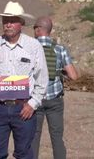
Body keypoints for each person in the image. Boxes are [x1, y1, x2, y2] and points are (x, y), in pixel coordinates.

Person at [0, 1, 48, 159]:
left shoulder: (33, 46)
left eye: (13, 20)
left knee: (24, 154)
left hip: (23, 108)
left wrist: (33, 104)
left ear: (21, 23)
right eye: (5, 20)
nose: (8, 24)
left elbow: (42, 78)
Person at [31, 16, 78, 159]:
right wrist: (59, 72)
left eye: (34, 28)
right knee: (57, 137)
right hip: (55, 100)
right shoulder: (60, 49)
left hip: (34, 100)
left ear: (38, 29)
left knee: (33, 137)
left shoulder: (29, 47)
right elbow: (74, 76)